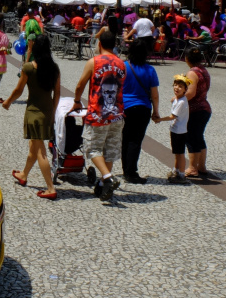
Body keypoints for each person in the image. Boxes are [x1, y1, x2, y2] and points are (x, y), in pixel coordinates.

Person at [3, 34, 60, 200]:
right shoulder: (54, 68)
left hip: (34, 112)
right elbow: (57, 93)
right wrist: (53, 112)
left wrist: (8, 101)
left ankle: (50, 188)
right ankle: (23, 174)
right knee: (34, 147)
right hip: (47, 111)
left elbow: (18, 90)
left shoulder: (29, 68)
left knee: (40, 151)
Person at [71, 30, 126, 202]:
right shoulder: (122, 64)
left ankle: (108, 177)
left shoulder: (93, 62)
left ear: (100, 44)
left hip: (97, 114)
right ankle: (103, 184)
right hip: (117, 114)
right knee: (109, 150)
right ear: (114, 45)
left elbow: (80, 85)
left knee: (92, 148)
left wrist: (77, 101)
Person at [120, 40, 160, 185]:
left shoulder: (123, 66)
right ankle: (131, 172)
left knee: (125, 138)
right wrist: (156, 111)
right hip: (142, 107)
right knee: (135, 140)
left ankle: (126, 169)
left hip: (125, 107)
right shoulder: (150, 70)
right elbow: (154, 95)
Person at [154, 75, 192, 184]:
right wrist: (174, 98)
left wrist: (160, 119)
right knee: (176, 152)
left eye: (180, 86)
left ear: (185, 89)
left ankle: (181, 174)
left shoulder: (181, 102)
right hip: (175, 130)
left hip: (180, 131)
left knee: (180, 153)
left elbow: (172, 116)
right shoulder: (178, 99)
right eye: (175, 85)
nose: (176, 88)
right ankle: (176, 170)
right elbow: (174, 100)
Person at [184, 48, 212, 178]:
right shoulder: (204, 70)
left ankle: (192, 168)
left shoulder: (192, 73)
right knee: (199, 137)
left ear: (187, 59)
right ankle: (201, 166)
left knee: (191, 138)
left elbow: (190, 93)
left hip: (194, 110)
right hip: (204, 107)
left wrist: (178, 98)